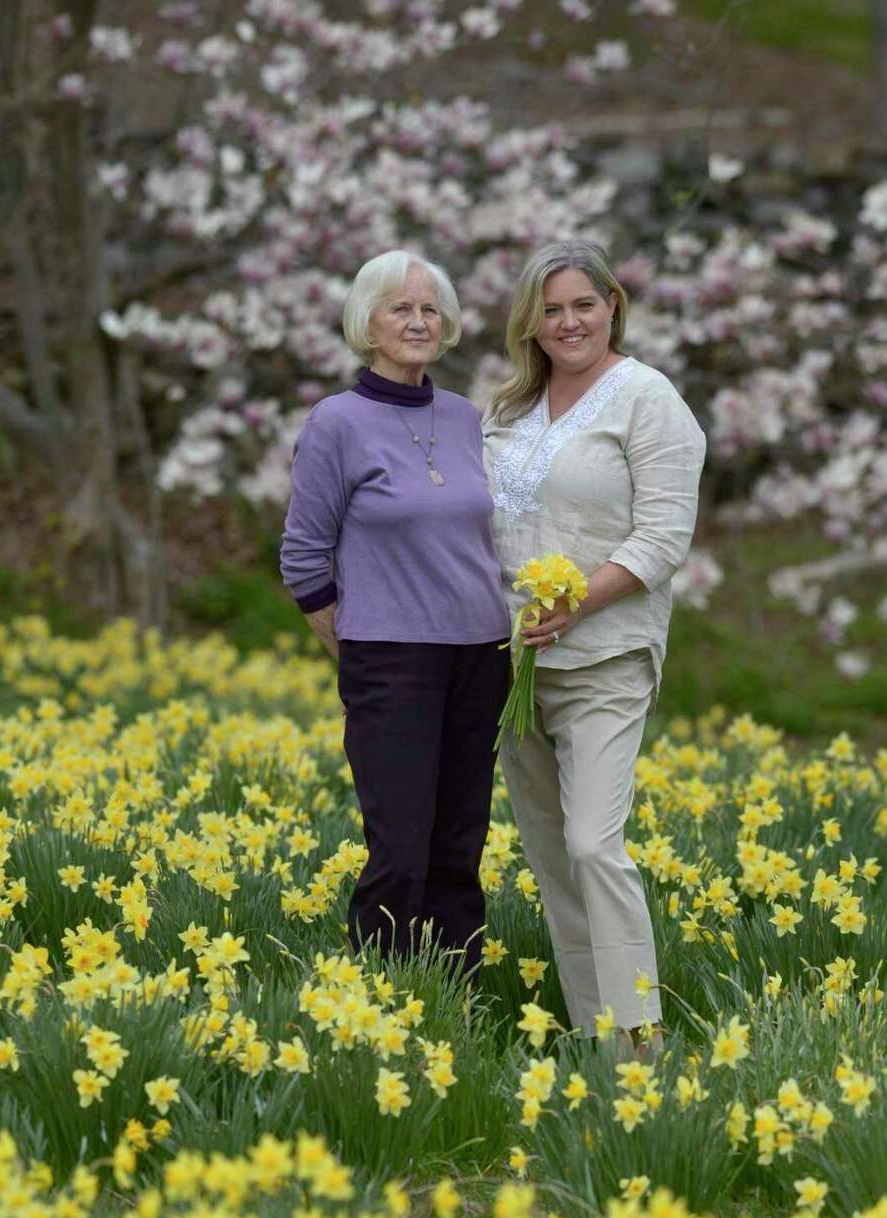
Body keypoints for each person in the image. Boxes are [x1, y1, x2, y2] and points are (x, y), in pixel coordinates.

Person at [483, 238, 706, 1050]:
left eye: (584, 303)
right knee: (551, 858)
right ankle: (598, 1040)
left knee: (592, 844)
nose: (569, 321)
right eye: (551, 309)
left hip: (605, 657)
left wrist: (577, 603)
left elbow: (663, 539)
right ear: (529, 323)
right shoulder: (507, 409)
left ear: (613, 304)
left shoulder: (648, 400)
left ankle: (642, 1040)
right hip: (514, 666)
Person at [280, 250, 510, 973]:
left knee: (459, 847)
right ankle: (379, 1006)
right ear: (367, 323)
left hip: (481, 657)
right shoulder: (335, 423)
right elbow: (302, 558)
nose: (417, 321)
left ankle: (455, 1006)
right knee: (400, 849)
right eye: (400, 308)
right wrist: (356, 654)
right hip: (389, 661)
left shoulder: (468, 417)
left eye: (429, 309)